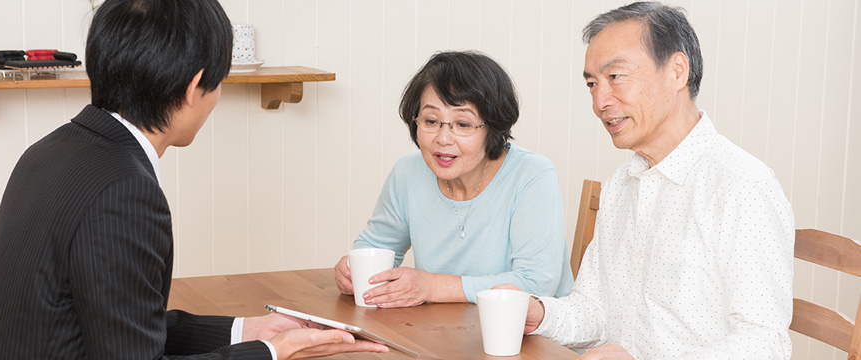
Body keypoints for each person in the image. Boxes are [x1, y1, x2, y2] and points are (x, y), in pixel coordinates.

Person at [0, 0, 387, 359]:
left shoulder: (47, 152)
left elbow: (119, 325)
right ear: (194, 87)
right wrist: (270, 354)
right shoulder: (124, 190)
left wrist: (247, 331)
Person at [502, 2, 795, 359]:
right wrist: (540, 314)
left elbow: (765, 344)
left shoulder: (740, 186)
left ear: (676, 72)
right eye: (592, 84)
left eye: (616, 77)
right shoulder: (621, 185)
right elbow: (594, 310)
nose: (599, 101)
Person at [333, 51, 574, 308]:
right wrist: (351, 269)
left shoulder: (532, 174)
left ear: (492, 127)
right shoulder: (408, 172)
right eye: (431, 120)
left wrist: (432, 286)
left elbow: (536, 282)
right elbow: (376, 247)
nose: (443, 138)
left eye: (463, 124)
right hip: (442, 333)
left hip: (530, 338)